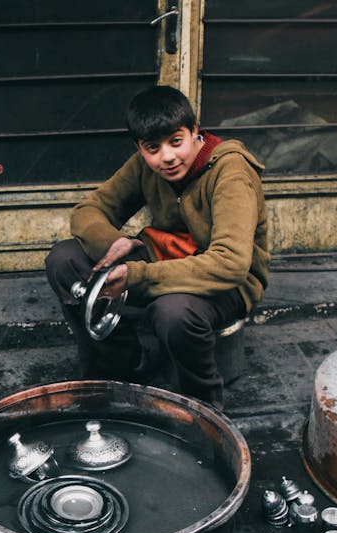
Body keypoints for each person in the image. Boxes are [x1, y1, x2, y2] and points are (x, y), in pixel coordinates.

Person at [45, 85, 269, 408]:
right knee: (64, 259)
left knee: (173, 312)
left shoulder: (230, 172)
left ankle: (203, 408)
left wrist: (137, 275)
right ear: (140, 147)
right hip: (161, 259)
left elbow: (231, 263)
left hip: (227, 282)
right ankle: (125, 365)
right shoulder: (143, 165)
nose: (166, 157)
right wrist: (115, 243)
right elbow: (87, 211)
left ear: (194, 132)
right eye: (153, 148)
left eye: (176, 142)